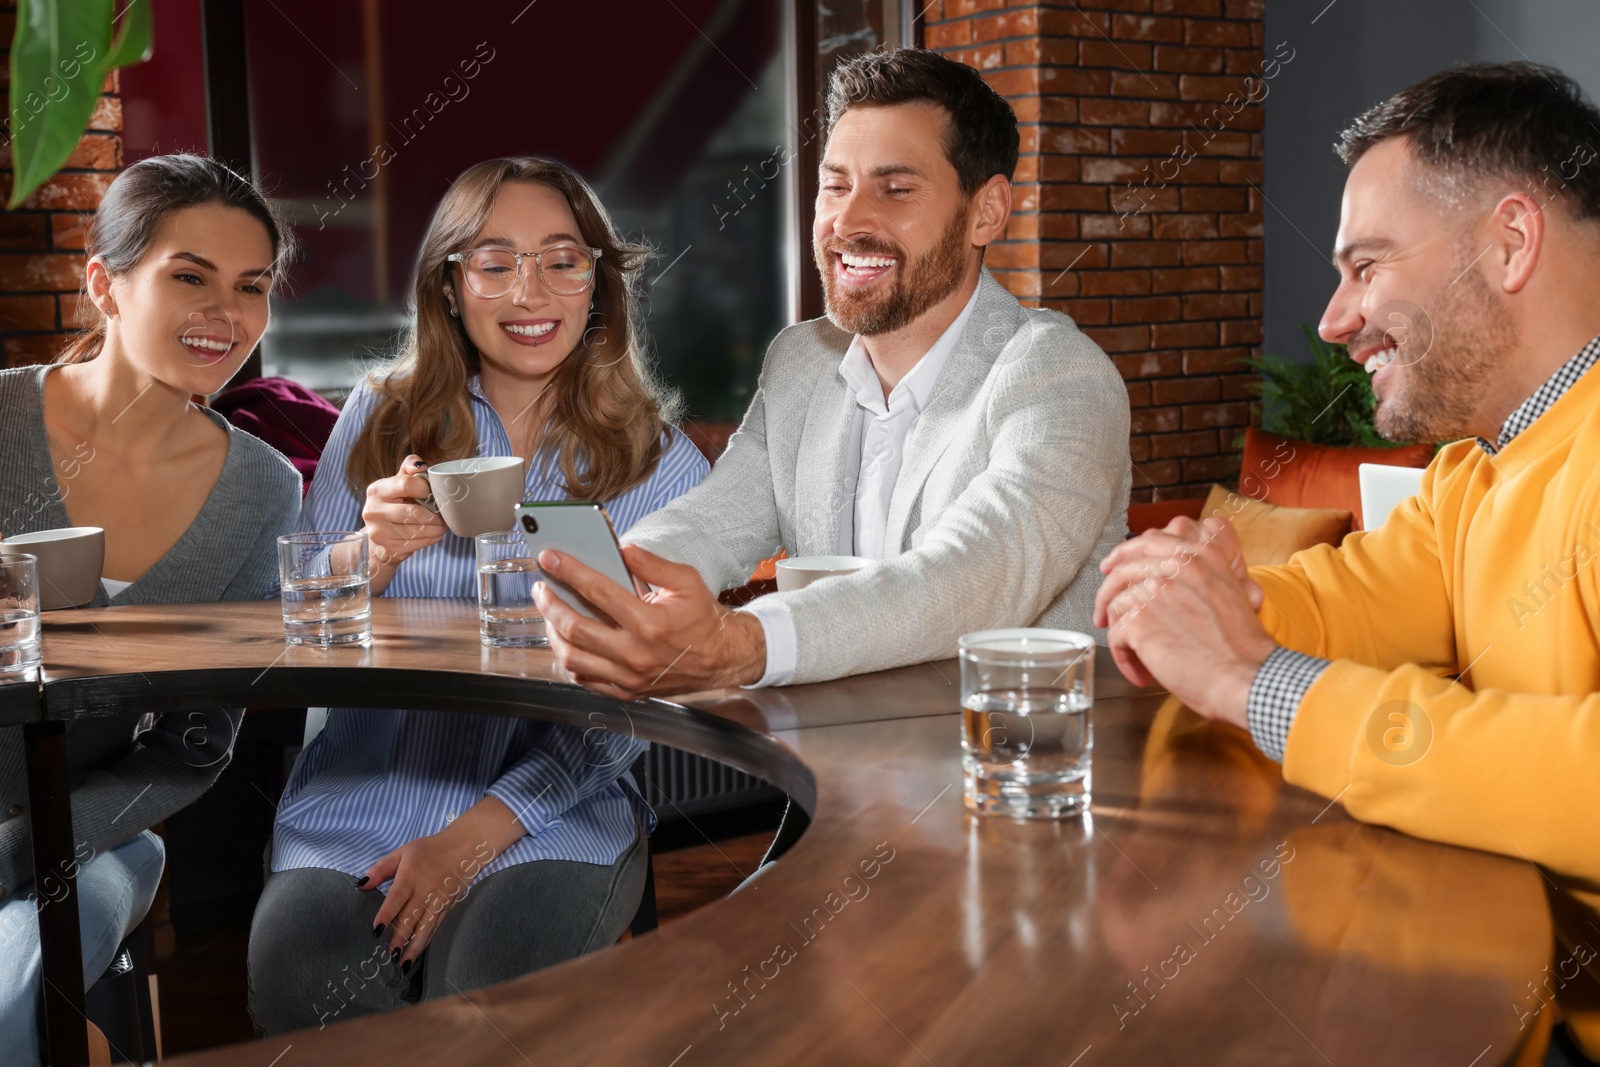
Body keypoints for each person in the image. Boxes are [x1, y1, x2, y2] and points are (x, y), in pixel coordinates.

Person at [1092, 63, 1600, 1064]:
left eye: (1364, 266)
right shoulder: (1473, 473)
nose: (1333, 320)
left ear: (1509, 242)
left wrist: (1258, 684)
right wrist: (1190, 602)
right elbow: (1343, 602)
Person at [247, 157, 708, 1033]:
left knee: (484, 1011)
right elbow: (289, 632)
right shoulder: (381, 418)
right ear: (450, 287)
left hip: (552, 814)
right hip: (358, 801)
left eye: (562, 259)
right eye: (495, 263)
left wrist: (476, 834)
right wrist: (366, 555)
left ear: (597, 284)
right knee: (308, 986)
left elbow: (626, 703)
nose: (530, 291)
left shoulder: (662, 465)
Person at [533, 48, 1131, 699]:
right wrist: (613, 588)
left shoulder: (1060, 375)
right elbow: (713, 519)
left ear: (986, 212)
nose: (848, 222)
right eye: (836, 185)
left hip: (1015, 775)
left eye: (896, 189)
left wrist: (748, 645)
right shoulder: (800, 362)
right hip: (835, 769)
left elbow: (972, 576)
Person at [0, 154, 301, 1063]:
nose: (228, 314)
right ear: (105, 284)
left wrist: (31, 848)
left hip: (96, 840)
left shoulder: (263, 490)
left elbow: (199, 741)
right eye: (189, 277)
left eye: (252, 286)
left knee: (17, 989)